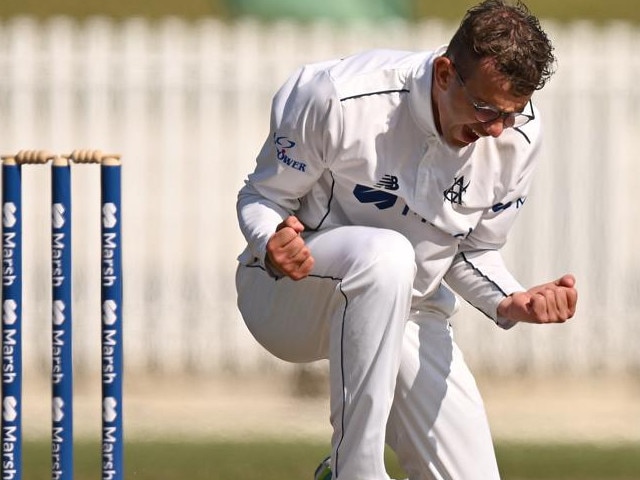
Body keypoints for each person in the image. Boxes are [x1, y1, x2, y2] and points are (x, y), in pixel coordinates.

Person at [235, 1, 578, 478]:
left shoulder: (516, 137)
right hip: (290, 293)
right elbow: (261, 196)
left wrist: (511, 299)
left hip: (410, 310)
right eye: (484, 108)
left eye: (511, 113)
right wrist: (272, 238)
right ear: (443, 73)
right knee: (387, 256)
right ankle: (354, 471)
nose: (495, 130)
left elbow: (469, 250)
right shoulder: (339, 96)